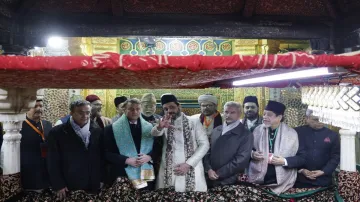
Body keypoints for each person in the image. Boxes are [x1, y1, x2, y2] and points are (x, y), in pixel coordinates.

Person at [151, 94, 209, 192]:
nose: (169, 111)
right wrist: (160, 127)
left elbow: (205, 145)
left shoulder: (193, 121)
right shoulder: (164, 121)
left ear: (179, 106)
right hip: (169, 170)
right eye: (166, 109)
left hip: (191, 168)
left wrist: (188, 164)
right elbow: (154, 133)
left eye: (172, 107)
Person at [47, 100, 104, 200]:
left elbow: (101, 157)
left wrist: (101, 179)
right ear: (71, 113)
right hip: (69, 183)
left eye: (87, 113)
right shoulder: (57, 132)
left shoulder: (97, 130)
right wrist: (58, 184)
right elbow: (52, 160)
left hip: (93, 182)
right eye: (80, 113)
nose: (85, 116)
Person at [248, 100, 300, 194]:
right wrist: (252, 154)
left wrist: (284, 161)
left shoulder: (292, 133)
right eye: (264, 114)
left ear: (279, 117)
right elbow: (246, 150)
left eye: (269, 115)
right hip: (259, 178)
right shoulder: (256, 130)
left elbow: (301, 158)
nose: (265, 117)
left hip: (283, 179)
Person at [104, 98, 155, 190]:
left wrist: (149, 157)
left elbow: (158, 148)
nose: (135, 112)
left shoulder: (150, 127)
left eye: (138, 109)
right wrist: (126, 160)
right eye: (131, 109)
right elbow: (106, 153)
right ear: (124, 110)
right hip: (122, 172)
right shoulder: (111, 129)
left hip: (145, 171)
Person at [203, 101, 253, 187]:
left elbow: (241, 160)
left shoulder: (245, 134)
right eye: (226, 112)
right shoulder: (216, 130)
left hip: (230, 180)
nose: (228, 115)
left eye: (232, 112)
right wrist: (209, 169)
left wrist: (218, 173)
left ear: (239, 114)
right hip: (209, 177)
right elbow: (207, 152)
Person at [294, 109, 340, 188]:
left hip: (323, 179)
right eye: (316, 119)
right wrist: (301, 170)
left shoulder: (333, 135)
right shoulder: (296, 132)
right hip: (299, 178)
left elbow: (336, 156)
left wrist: (324, 171)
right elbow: (291, 153)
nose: (320, 122)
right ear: (307, 118)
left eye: (323, 119)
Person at [20, 99, 52, 191]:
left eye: (41, 106)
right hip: (28, 174)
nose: (39, 109)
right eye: (35, 106)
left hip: (46, 173)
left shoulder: (47, 125)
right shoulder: (19, 126)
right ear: (26, 109)